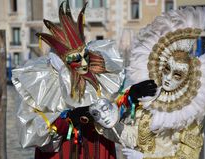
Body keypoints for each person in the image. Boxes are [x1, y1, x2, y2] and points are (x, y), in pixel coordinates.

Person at [90, 7, 205, 159]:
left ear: (187, 79)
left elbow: (187, 156)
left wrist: (144, 158)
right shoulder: (152, 100)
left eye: (177, 75)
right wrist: (110, 122)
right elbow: (133, 137)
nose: (167, 78)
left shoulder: (191, 113)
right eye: (167, 70)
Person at [12, 1, 124, 158]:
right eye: (76, 59)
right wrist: (67, 120)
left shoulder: (100, 76)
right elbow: (30, 131)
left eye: (85, 56)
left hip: (98, 149)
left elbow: (119, 112)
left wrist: (131, 98)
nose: (84, 63)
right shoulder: (41, 83)